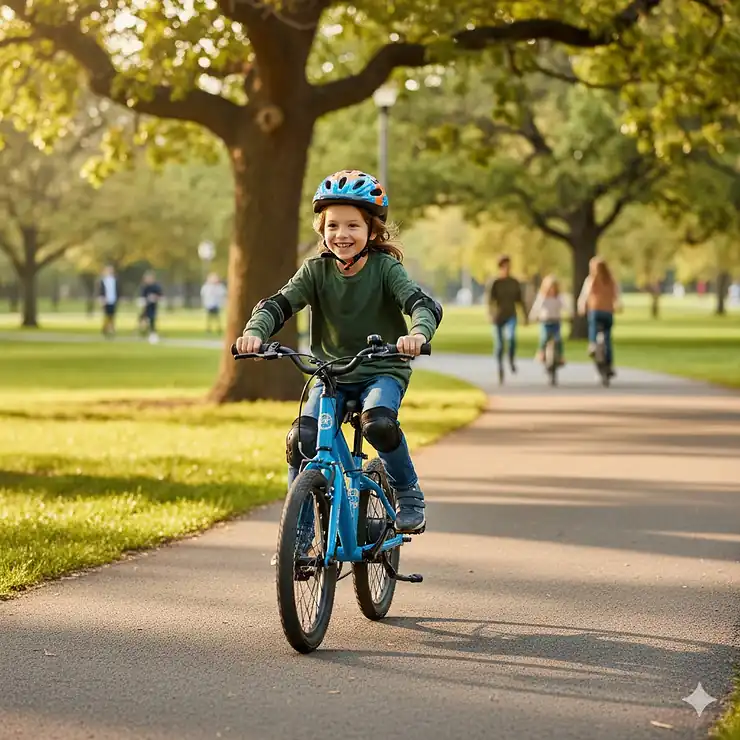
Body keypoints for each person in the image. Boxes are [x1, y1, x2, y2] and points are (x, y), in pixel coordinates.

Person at [234, 169, 443, 534]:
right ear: (322, 229)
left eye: (352, 226)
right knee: (303, 439)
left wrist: (417, 333)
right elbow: (278, 305)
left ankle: (408, 492)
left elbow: (421, 305)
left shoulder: (386, 270)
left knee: (378, 423)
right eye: (332, 226)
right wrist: (254, 332)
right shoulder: (315, 271)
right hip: (330, 374)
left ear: (372, 232)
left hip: (381, 369)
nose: (341, 235)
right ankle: (298, 533)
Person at [487, 255, 528, 383]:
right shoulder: (495, 283)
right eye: (505, 265)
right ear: (500, 267)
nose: (507, 268)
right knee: (499, 345)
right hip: (498, 317)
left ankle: (511, 359)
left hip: (511, 315)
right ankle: (500, 368)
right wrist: (490, 314)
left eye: (509, 265)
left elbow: (520, 300)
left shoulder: (514, 282)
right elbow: (490, 301)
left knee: (511, 339)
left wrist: (525, 315)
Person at [577, 256, 621, 375]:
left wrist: (581, 306)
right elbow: (617, 294)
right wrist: (618, 305)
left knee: (593, 328)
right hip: (608, 311)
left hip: (595, 310)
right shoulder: (610, 280)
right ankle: (609, 364)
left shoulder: (591, 279)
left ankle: (592, 344)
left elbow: (585, 295)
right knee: (607, 338)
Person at [529, 275, 566, 365]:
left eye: (553, 288)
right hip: (545, 321)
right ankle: (541, 353)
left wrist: (569, 313)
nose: (551, 290)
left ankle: (560, 356)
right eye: (549, 288)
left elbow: (564, 306)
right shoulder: (542, 297)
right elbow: (536, 308)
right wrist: (533, 316)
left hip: (556, 321)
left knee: (558, 339)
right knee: (544, 338)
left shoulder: (558, 298)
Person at [139, 270, 164, 344]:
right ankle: (145, 331)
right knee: (143, 319)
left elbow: (161, 296)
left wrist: (155, 298)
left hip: (153, 306)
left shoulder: (156, 287)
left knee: (152, 319)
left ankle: (153, 333)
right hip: (146, 306)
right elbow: (142, 297)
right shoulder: (144, 287)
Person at [98, 265, 119, 338]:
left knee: (112, 315)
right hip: (106, 300)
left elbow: (118, 290)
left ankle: (111, 328)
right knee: (106, 315)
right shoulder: (103, 280)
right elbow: (101, 291)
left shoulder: (115, 280)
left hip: (113, 300)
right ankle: (105, 329)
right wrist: (102, 299)